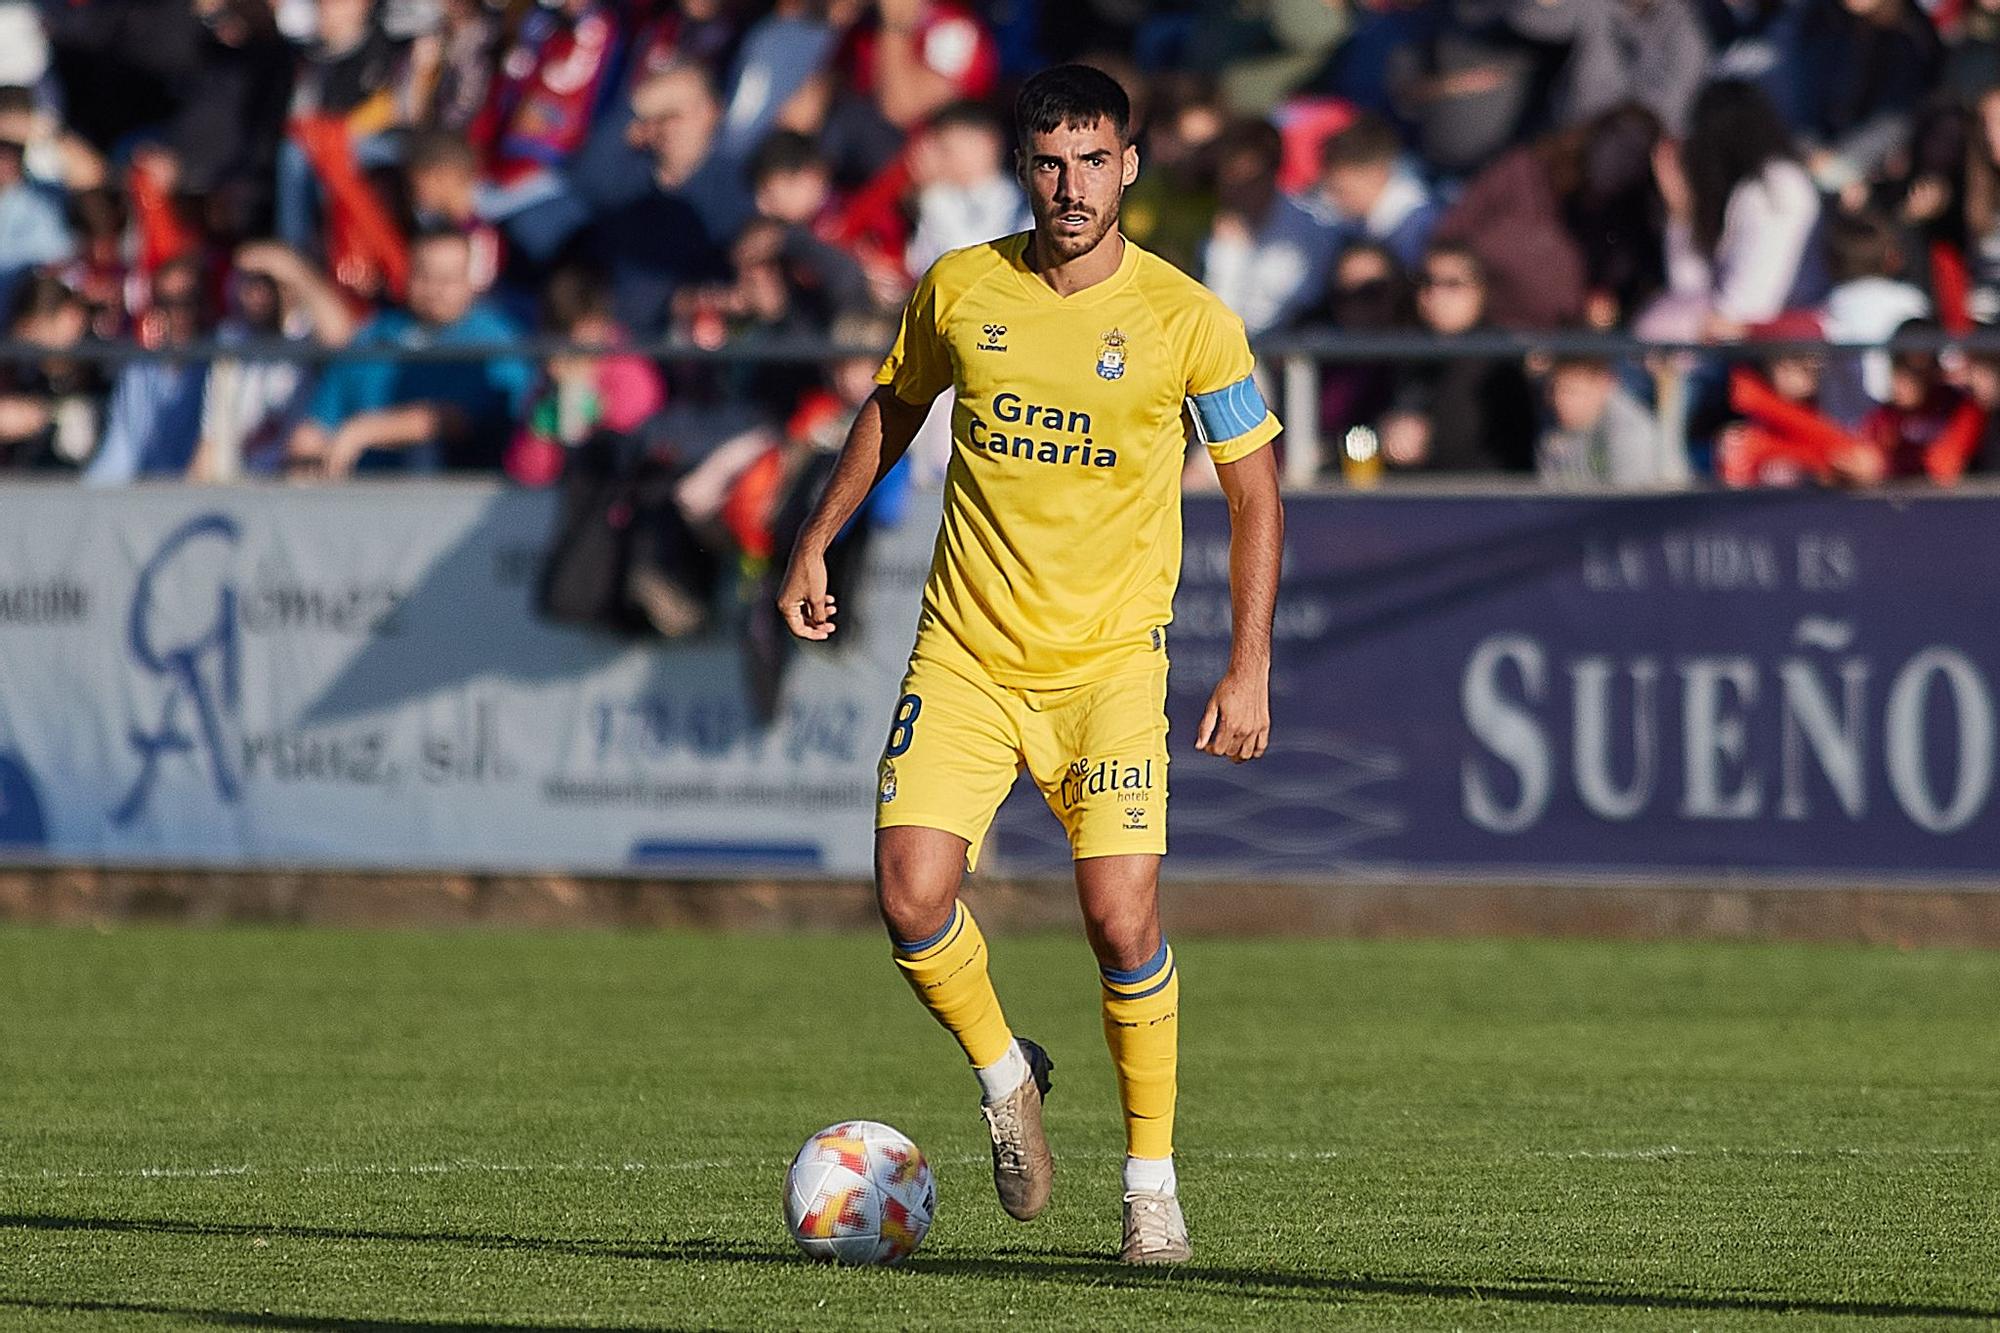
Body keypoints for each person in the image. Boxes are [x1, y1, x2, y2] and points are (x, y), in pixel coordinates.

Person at [775, 63, 1283, 1266]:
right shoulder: (961, 287)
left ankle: (1148, 1190)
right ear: (1023, 167)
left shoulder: (1188, 319)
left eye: (1093, 161)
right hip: (964, 650)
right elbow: (894, 406)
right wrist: (814, 534)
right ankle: (1009, 1077)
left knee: (1119, 919)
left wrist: (1245, 663)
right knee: (908, 897)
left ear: (1129, 168)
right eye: (1050, 162)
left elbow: (1253, 487)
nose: (1071, 185)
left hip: (1107, 667)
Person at [287, 228, 531, 476]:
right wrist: (306, 455)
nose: (435, 289)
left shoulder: (495, 339)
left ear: (470, 280)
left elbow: (457, 420)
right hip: (358, 495)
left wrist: (363, 432)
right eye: (424, 275)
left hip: (451, 497)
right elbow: (320, 421)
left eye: (448, 278)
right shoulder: (375, 334)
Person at [1380, 243, 1539, 471]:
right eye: (1425, 281)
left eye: (1452, 284)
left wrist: (1428, 441)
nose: (1435, 294)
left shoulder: (1501, 360)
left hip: (1488, 497)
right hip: (1421, 497)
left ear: (1480, 290)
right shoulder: (1411, 354)